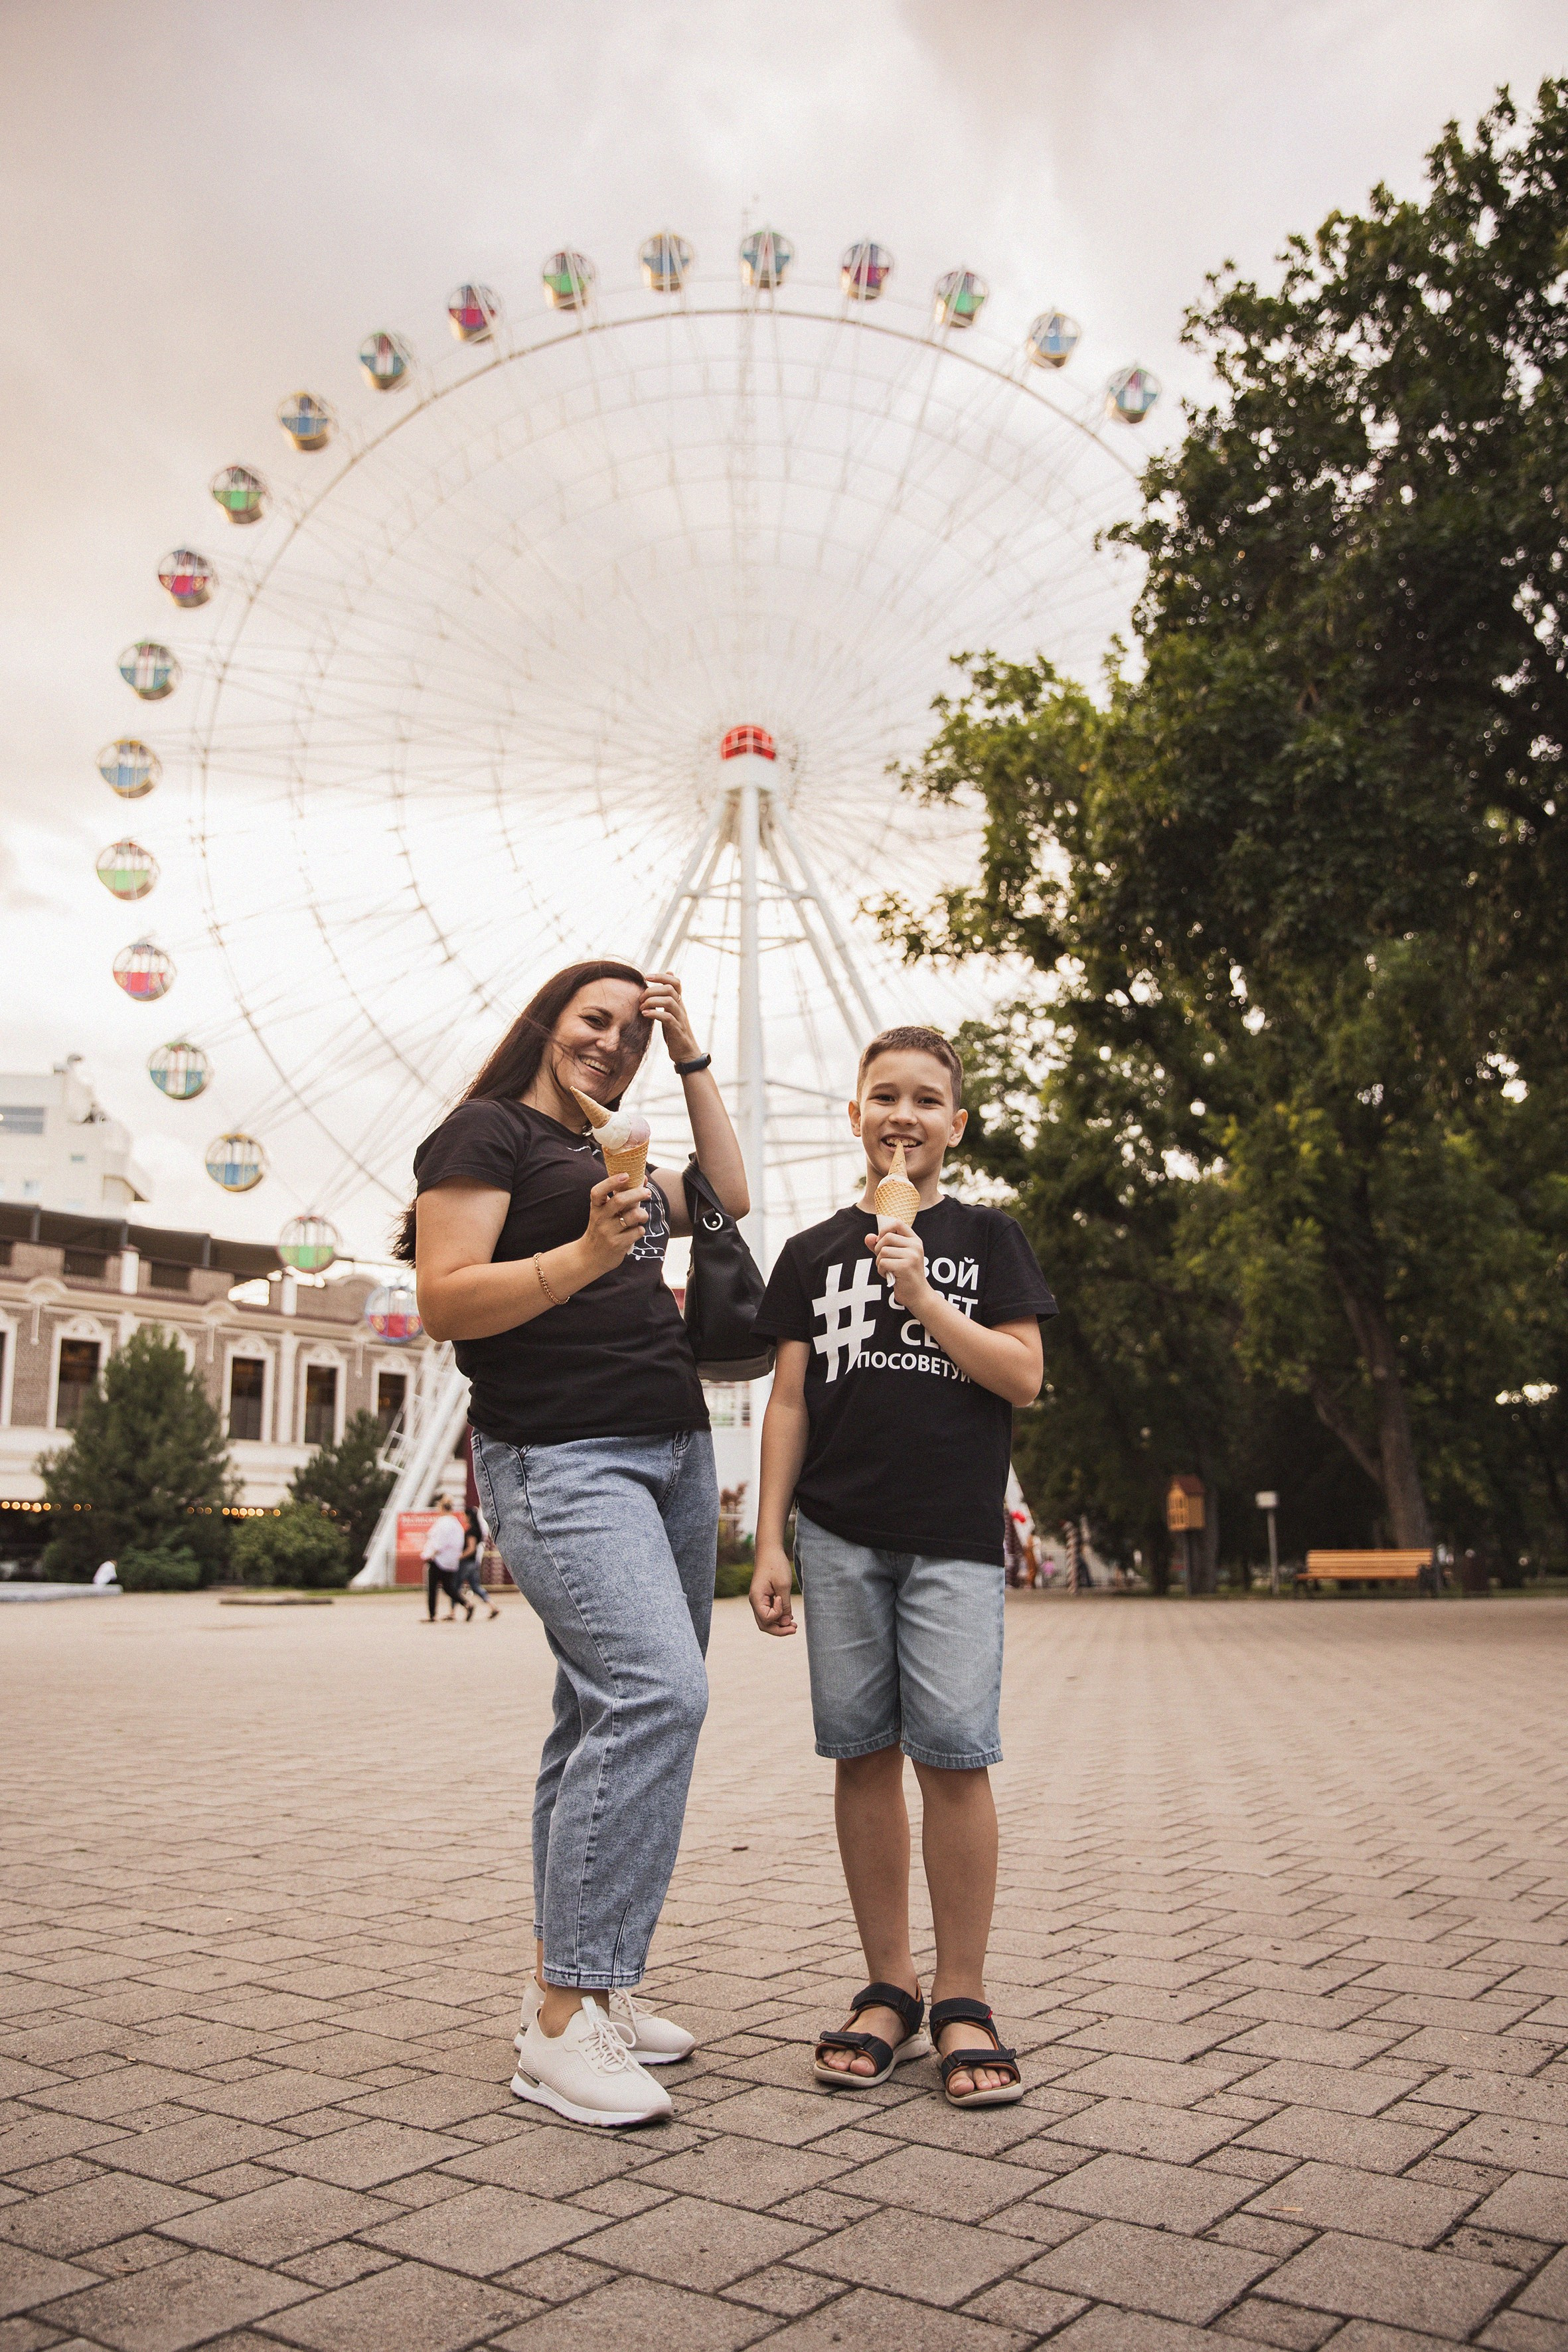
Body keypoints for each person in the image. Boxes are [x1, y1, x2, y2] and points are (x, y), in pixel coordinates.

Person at [404, 959, 748, 2127]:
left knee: (597, 1711)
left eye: (630, 1030)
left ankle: (594, 1978)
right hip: (559, 1452)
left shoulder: (622, 1157)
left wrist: (689, 1048)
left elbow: (732, 1196)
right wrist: (585, 1261)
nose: (612, 1042)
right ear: (546, 1020)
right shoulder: (484, 1133)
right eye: (592, 1020)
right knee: (660, 1692)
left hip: (671, 1448)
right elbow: (446, 1298)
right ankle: (557, 2023)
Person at [749, 1026, 1056, 2108]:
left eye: (927, 1099)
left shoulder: (988, 1238)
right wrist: (770, 1536)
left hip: (952, 1538)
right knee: (861, 1753)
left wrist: (926, 1294)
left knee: (956, 1756)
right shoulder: (810, 1253)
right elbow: (787, 1399)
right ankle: (889, 1980)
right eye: (884, 1095)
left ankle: (963, 1994)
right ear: (854, 1115)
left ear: (954, 1126)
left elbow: (1020, 1376)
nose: (904, 1115)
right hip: (836, 1534)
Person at [420, 1496, 466, 1622]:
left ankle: (432, 1615)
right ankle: (467, 1604)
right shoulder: (457, 1524)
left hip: (438, 1559)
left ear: (441, 1508)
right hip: (451, 1561)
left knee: (432, 1588)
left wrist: (430, 1554)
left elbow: (439, 1542)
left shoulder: (442, 1523)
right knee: (448, 1587)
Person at [451, 1509, 500, 1620]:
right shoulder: (477, 1530)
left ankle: (454, 1611)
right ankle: (493, 1606)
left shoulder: (471, 1531)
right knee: (476, 1587)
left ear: (469, 1516)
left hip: (466, 1563)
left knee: (455, 1587)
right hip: (474, 1563)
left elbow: (471, 1548)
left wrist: (459, 1557)